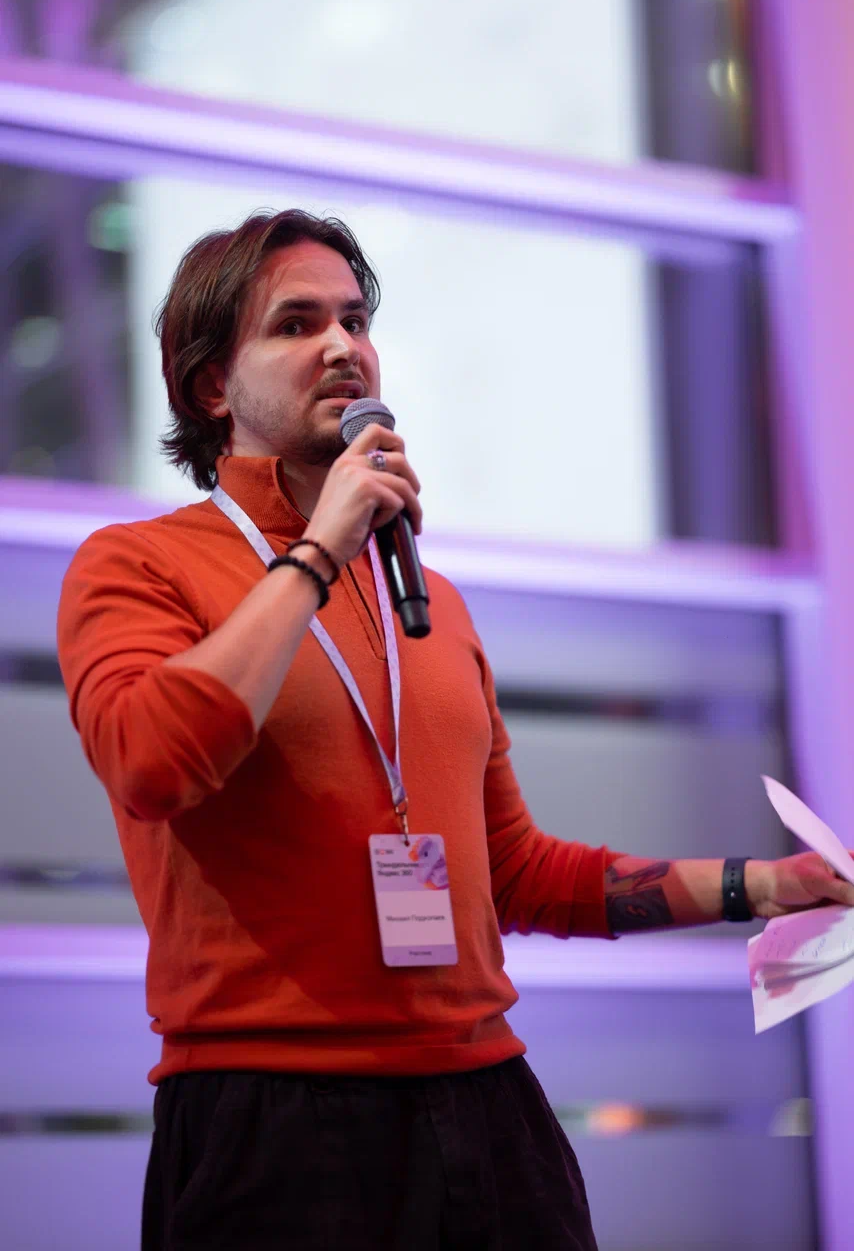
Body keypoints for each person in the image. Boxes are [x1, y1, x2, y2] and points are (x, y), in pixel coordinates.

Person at [56, 209, 854, 1251]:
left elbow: (516, 873)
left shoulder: (428, 602)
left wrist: (763, 885)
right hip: (272, 1120)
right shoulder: (137, 564)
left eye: (353, 320)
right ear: (213, 387)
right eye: (296, 324)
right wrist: (316, 553)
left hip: (488, 1105)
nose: (342, 345)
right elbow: (153, 761)